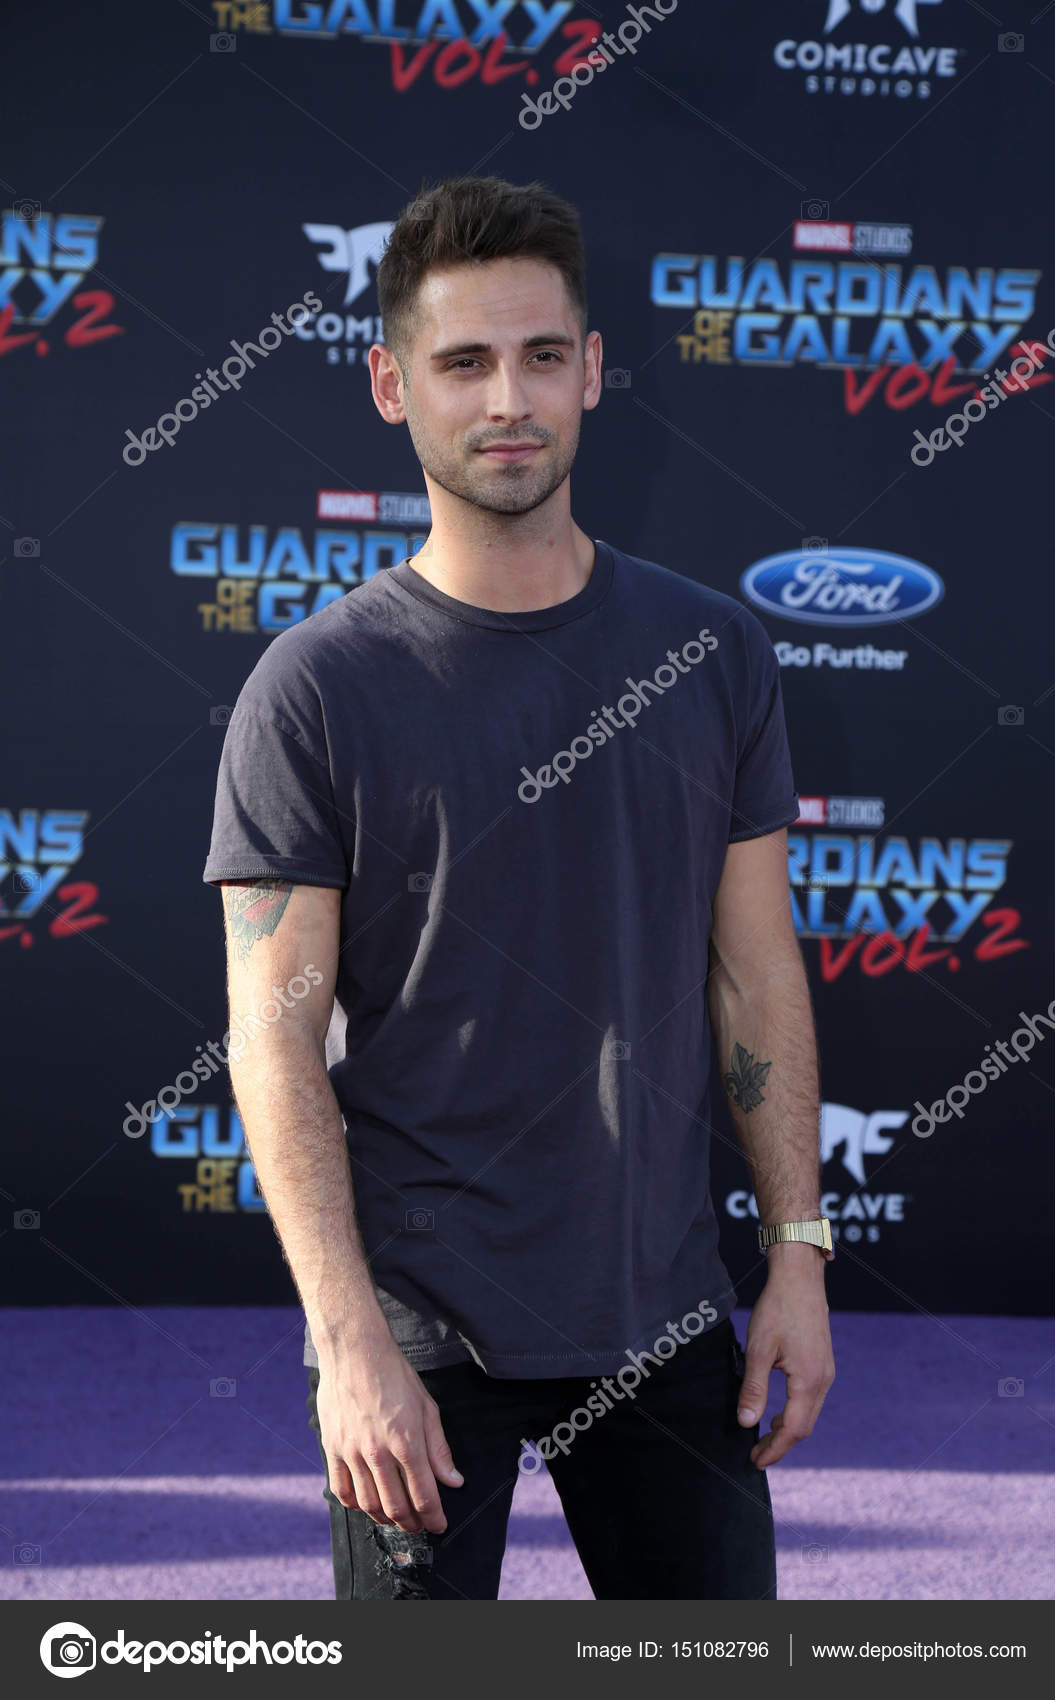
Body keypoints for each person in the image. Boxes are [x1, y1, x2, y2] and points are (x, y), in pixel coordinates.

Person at [202, 174, 835, 1602]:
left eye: (543, 356)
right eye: (464, 362)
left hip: (663, 1309)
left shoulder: (712, 653)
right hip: (420, 1325)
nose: (510, 399)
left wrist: (795, 1257)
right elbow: (273, 1032)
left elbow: (754, 975)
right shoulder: (315, 687)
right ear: (391, 385)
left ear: (594, 372)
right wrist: (348, 1346)